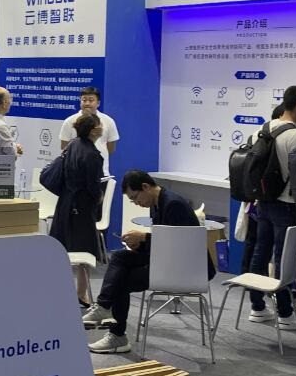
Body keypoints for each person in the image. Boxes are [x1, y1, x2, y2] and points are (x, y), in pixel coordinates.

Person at [82, 170, 213, 353]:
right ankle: (104, 307)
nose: (136, 203)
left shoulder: (173, 204)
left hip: (185, 268)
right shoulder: (157, 203)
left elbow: (178, 246)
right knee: (119, 257)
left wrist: (144, 237)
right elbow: (164, 244)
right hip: (168, 260)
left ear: (145, 187)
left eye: (135, 198)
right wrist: (140, 244)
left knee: (120, 281)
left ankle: (116, 334)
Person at [247, 86, 296, 331]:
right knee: (284, 260)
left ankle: (257, 307)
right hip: (287, 204)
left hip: (263, 201)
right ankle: (285, 314)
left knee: (260, 253)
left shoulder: (261, 130)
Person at [50, 114, 105, 306]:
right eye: (99, 125)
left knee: (63, 248)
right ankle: (82, 293)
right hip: (81, 208)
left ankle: (60, 290)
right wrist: (99, 196)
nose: (102, 127)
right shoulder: (92, 154)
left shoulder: (73, 145)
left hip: (65, 203)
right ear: (93, 130)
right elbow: (93, 185)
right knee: (84, 252)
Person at [59, 87, 120, 175]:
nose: (87, 103)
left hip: (101, 171)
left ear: (98, 103)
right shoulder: (69, 121)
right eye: (84, 100)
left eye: (91, 100)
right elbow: (64, 146)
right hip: (75, 173)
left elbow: (111, 148)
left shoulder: (108, 121)